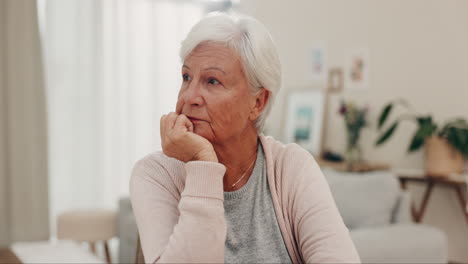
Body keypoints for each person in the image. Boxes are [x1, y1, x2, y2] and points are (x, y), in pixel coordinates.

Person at [130, 12, 360, 264]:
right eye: (186, 77)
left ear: (258, 103)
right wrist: (203, 163)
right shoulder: (156, 174)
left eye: (212, 81)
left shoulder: (292, 167)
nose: (190, 96)